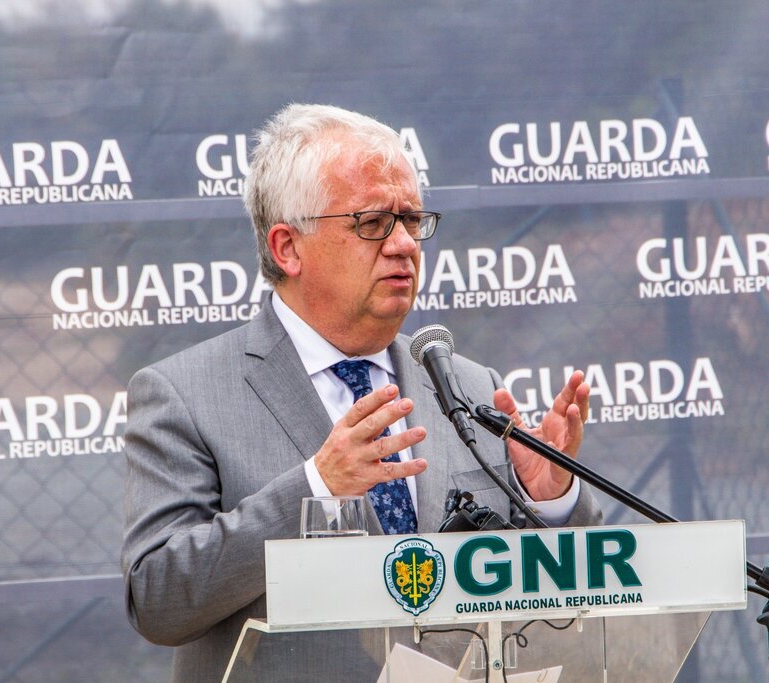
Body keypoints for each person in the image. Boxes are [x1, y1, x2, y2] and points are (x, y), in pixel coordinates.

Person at [121, 103, 602, 682]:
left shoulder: (471, 388)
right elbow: (157, 600)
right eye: (372, 223)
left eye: (411, 220)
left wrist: (549, 502)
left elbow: (565, 605)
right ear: (288, 247)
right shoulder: (183, 395)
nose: (403, 244)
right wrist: (316, 486)